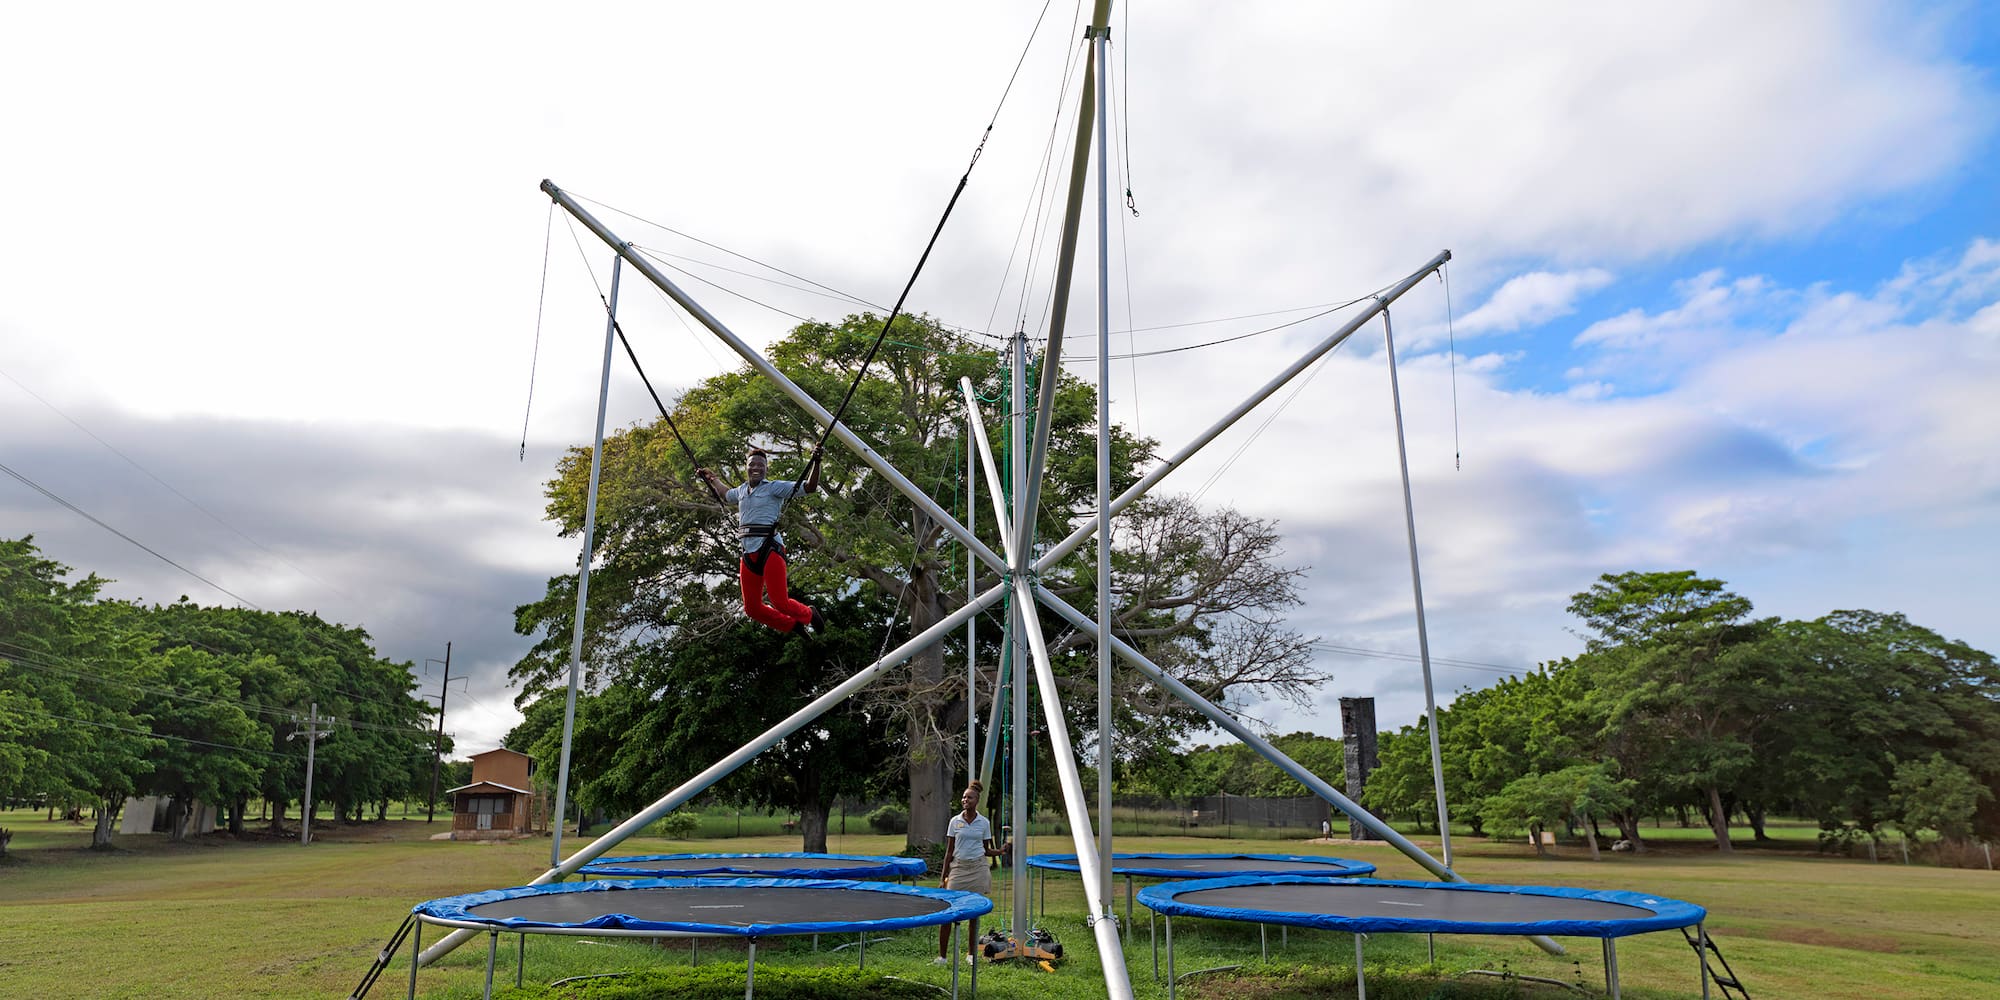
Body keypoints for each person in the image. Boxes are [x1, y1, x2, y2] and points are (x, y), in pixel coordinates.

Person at [697, 448, 824, 635]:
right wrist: (712, 479)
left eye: (761, 465)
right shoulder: (741, 491)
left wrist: (817, 462)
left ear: (766, 468)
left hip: (770, 549)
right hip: (748, 554)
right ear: (746, 467)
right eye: (752, 464)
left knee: (780, 602)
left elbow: (809, 487)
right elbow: (725, 494)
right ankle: (792, 625)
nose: (756, 468)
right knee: (752, 609)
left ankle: (810, 614)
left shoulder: (774, 488)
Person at [936, 780, 1006, 965]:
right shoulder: (955, 821)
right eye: (964, 797)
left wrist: (999, 851)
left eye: (969, 797)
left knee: (974, 914)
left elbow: (986, 849)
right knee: (948, 913)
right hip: (958, 869)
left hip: (978, 869)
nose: (965, 800)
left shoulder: (984, 823)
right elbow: (949, 852)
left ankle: (971, 955)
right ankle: (942, 957)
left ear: (977, 800)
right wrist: (944, 877)